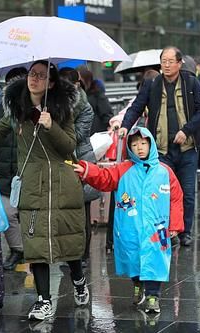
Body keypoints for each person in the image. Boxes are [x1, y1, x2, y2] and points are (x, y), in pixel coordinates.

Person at [0, 60, 89, 321]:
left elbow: (69, 146)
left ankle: (79, 281)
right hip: (33, 184)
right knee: (35, 244)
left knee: (66, 242)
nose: (33, 79)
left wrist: (51, 126)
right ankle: (43, 299)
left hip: (61, 185)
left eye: (40, 76)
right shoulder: (18, 108)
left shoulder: (61, 111)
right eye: (31, 74)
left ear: (50, 83)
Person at [72, 127, 184, 314]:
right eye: (134, 144)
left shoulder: (165, 172)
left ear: (150, 144)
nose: (139, 148)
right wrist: (86, 170)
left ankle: (153, 296)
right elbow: (104, 178)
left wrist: (175, 225)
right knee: (133, 259)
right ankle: (138, 283)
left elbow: (176, 198)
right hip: (130, 228)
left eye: (143, 143)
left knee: (155, 261)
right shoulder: (123, 169)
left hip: (157, 230)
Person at [119, 46, 200, 247]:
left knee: (187, 193)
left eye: (171, 61)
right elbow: (137, 107)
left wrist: (186, 130)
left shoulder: (191, 82)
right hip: (160, 150)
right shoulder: (152, 83)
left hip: (186, 148)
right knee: (162, 193)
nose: (167, 65)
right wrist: (126, 126)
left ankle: (185, 231)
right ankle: (167, 230)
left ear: (179, 63)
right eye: (163, 61)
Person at [0, 68, 27, 271]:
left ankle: (34, 252)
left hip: (27, 170)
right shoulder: (1, 109)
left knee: (29, 215)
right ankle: (17, 249)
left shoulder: (37, 108)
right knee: (8, 212)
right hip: (4, 170)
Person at [58, 67, 98, 266]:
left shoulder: (85, 108)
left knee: (83, 210)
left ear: (76, 84)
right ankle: (68, 253)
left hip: (81, 160)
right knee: (66, 212)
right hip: (61, 162)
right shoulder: (54, 104)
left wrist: (58, 127)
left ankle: (83, 255)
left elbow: (78, 136)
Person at [78, 68, 113, 135]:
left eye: (80, 80)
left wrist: (109, 126)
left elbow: (106, 113)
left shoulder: (97, 94)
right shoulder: (77, 94)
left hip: (96, 132)